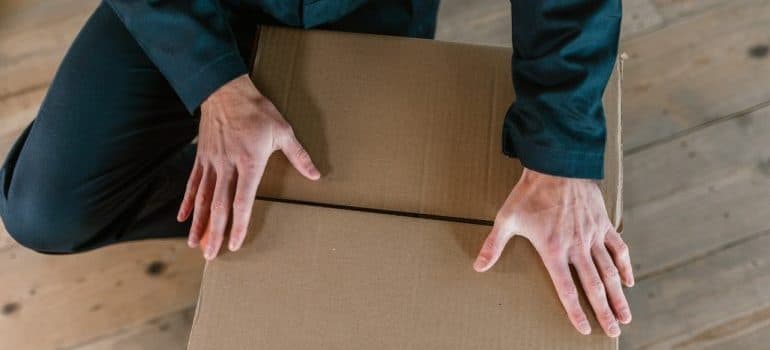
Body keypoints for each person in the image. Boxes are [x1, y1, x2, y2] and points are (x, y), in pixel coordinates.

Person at [0, 0, 632, 338]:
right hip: (189, 6)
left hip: (364, 7)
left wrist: (560, 155)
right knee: (46, 212)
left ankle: (279, 215)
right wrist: (213, 82)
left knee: (373, 236)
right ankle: (253, 208)